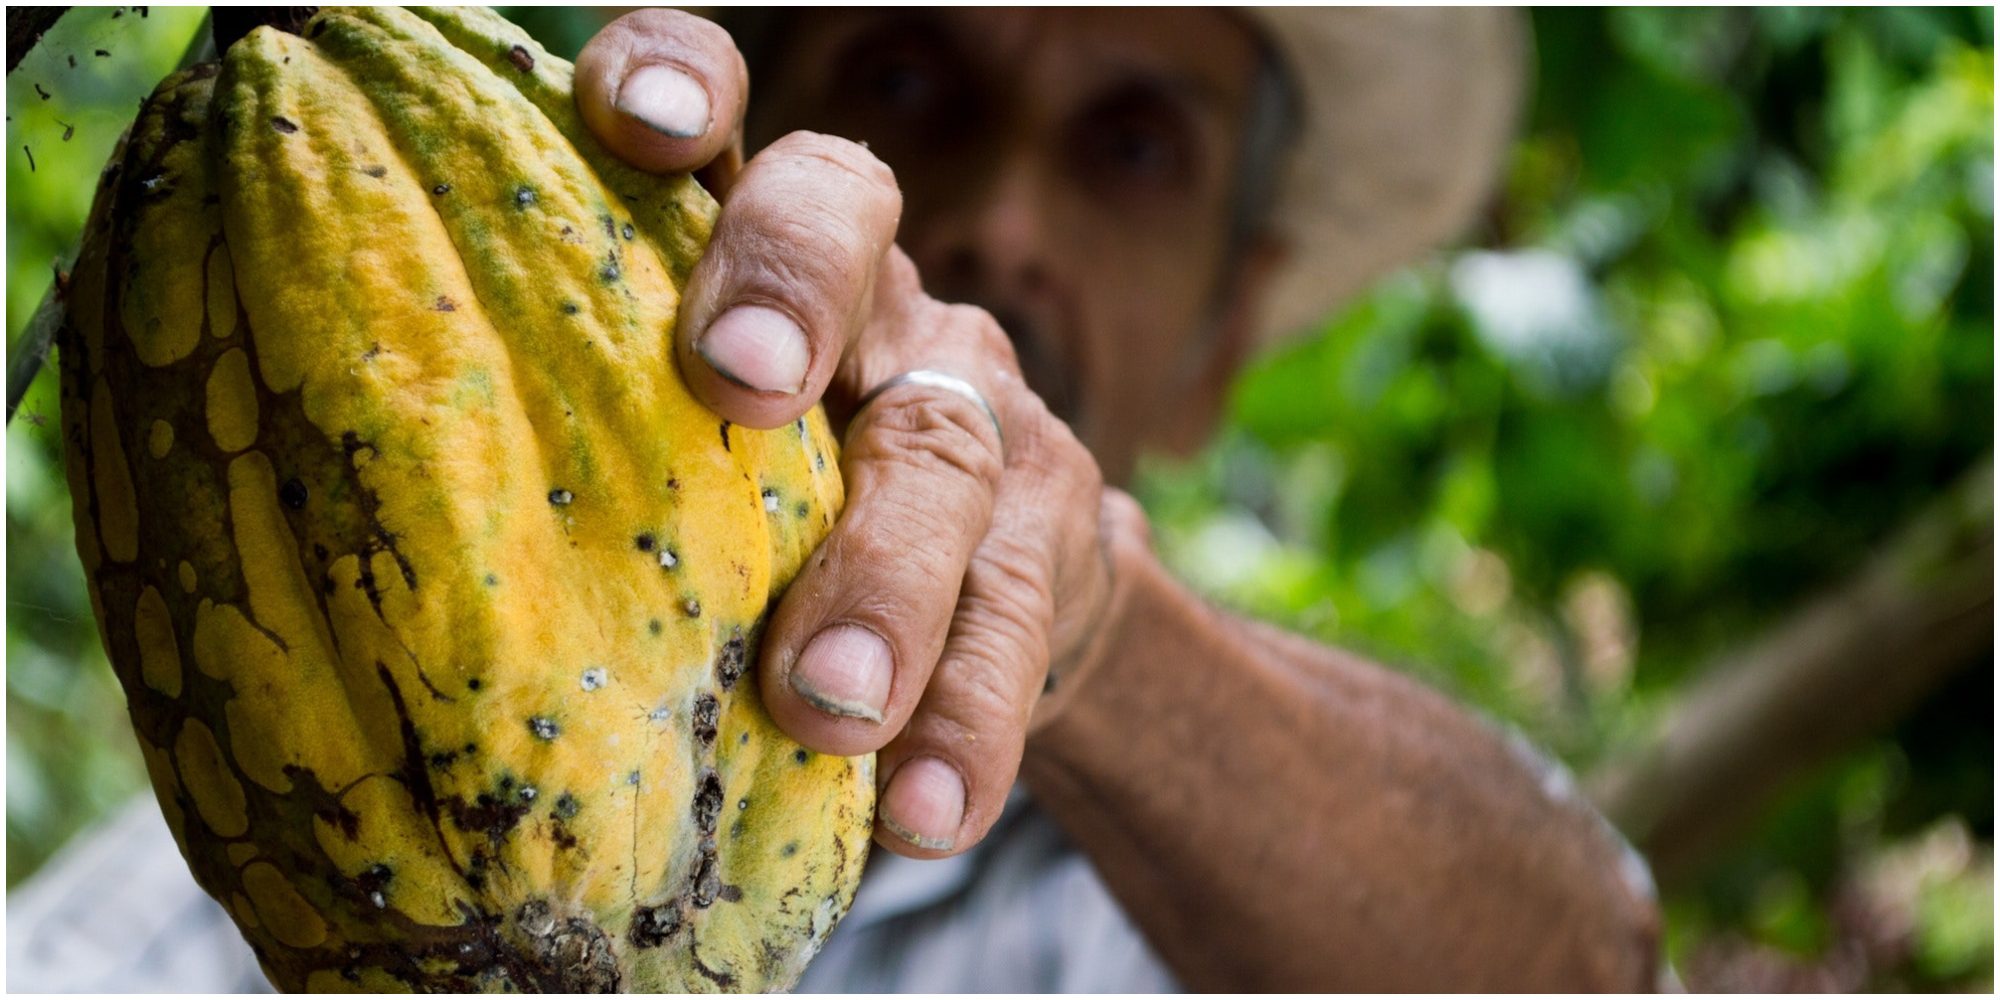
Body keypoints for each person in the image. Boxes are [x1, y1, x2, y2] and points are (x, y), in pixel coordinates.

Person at [7, 8, 1664, 991]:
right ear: (726, 132)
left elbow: (1589, 962)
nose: (1010, 216)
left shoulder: (1191, 905)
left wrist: (1089, 630)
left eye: (1135, 148)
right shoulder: (317, 771)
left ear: (1227, 333)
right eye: (916, 76)